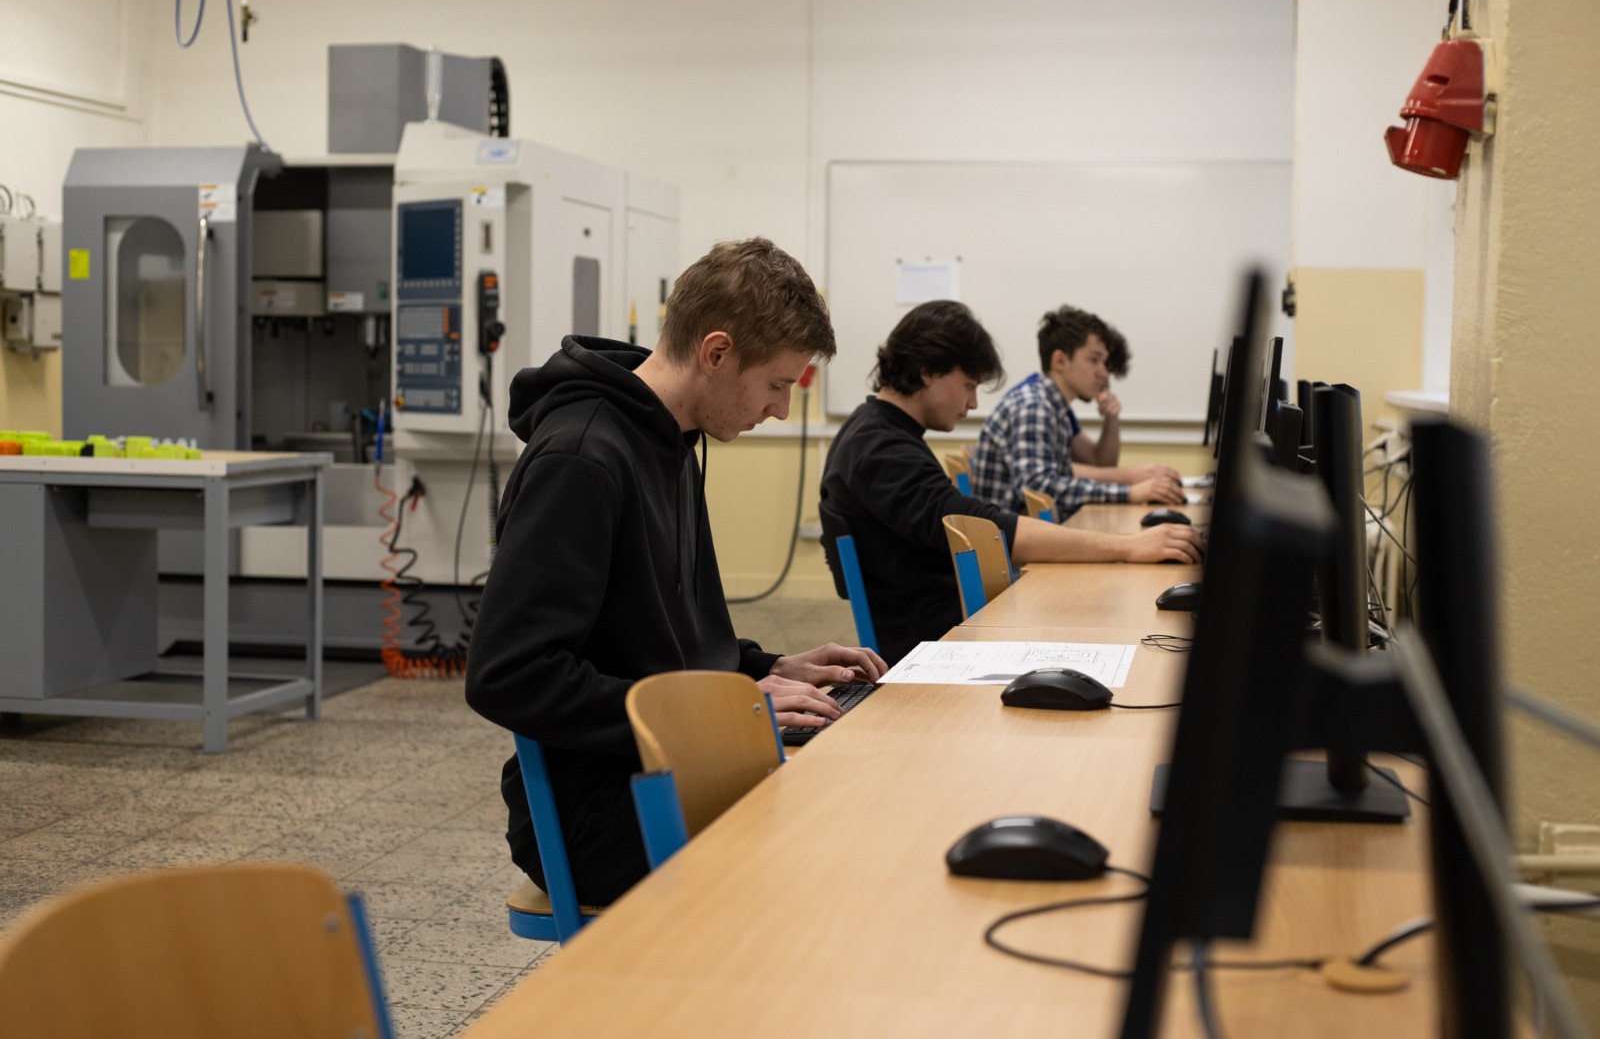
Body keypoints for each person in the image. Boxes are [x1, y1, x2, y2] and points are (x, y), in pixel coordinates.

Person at [466, 238, 887, 906]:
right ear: (716, 353)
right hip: (597, 812)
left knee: (865, 788)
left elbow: (658, 640)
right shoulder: (583, 458)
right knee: (839, 844)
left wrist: (766, 668)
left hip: (668, 768)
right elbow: (508, 675)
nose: (780, 409)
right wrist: (724, 711)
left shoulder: (670, 441)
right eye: (777, 384)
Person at [819, 301, 1202, 665]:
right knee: (1121, 629)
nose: (973, 403)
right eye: (969, 385)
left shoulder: (877, 433)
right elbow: (987, 529)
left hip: (956, 619)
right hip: (941, 641)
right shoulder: (881, 450)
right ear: (928, 372)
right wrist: (1129, 547)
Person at [969, 304, 1185, 518]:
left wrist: (1112, 418)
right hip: (1010, 536)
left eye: (1104, 362)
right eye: (1094, 360)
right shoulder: (1034, 406)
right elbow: (1037, 486)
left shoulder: (1055, 408)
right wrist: (1129, 492)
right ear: (1060, 361)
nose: (1104, 373)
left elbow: (1075, 472)